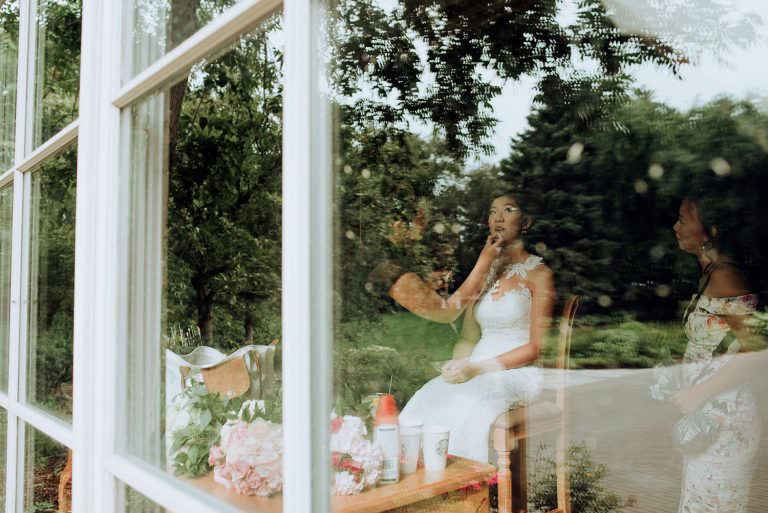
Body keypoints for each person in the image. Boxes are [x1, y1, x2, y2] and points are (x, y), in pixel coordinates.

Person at [392, 193, 555, 462]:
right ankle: (427, 486)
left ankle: (469, 488)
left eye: (508, 210)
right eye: (492, 212)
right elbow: (468, 337)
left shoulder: (540, 274)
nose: (498, 218)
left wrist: (478, 368)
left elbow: (536, 348)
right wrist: (458, 366)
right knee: (426, 399)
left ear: (525, 222)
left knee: (467, 402)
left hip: (517, 373)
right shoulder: (485, 274)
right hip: (475, 370)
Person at [670, 196, 762, 513]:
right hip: (709, 419)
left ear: (708, 231)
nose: (675, 227)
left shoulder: (725, 277)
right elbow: (721, 342)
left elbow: (759, 351)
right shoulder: (711, 274)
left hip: (726, 419)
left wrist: (699, 391)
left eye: (683, 220)